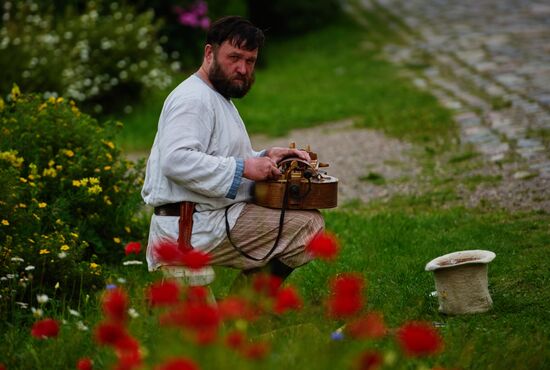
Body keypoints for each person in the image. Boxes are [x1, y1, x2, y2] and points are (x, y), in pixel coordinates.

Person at [141, 16, 324, 285]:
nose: (242, 68)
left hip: (205, 217)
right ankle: (244, 309)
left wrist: (265, 157)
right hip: (190, 228)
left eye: (250, 61)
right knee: (307, 228)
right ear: (209, 53)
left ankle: (242, 309)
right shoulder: (193, 99)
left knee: (307, 220)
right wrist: (244, 168)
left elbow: (221, 154)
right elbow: (175, 160)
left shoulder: (215, 96)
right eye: (234, 57)